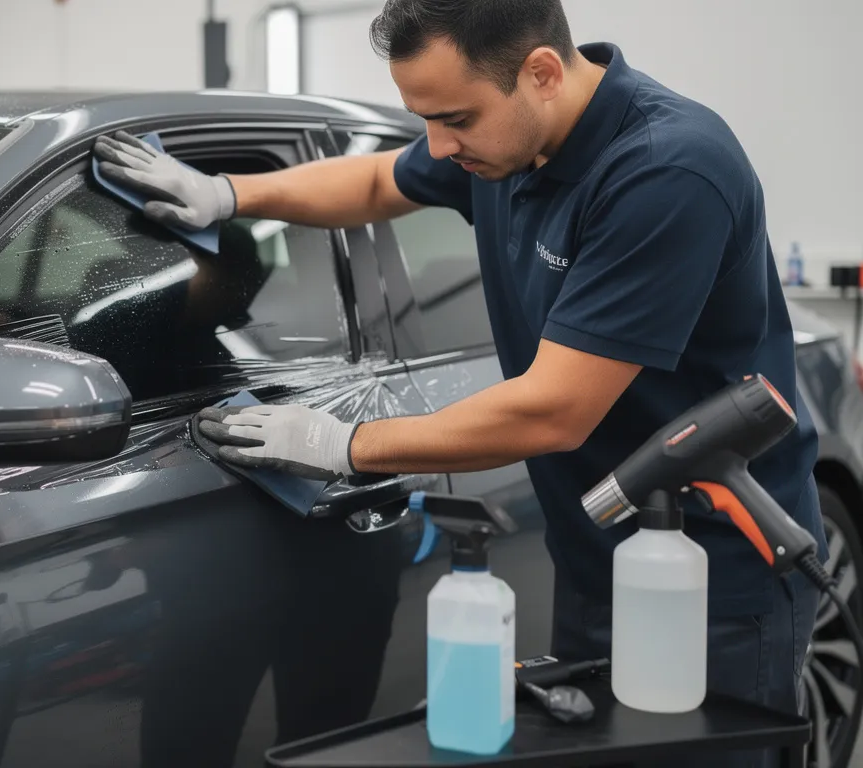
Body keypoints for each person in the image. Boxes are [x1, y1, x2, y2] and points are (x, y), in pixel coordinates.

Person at [91, 1, 827, 766]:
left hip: (713, 579)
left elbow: (554, 411)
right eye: (426, 119)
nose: (439, 146)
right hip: (599, 560)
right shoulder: (501, 140)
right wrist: (230, 195)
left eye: (455, 120)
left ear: (541, 72)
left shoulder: (666, 170)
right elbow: (378, 180)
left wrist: (343, 444)